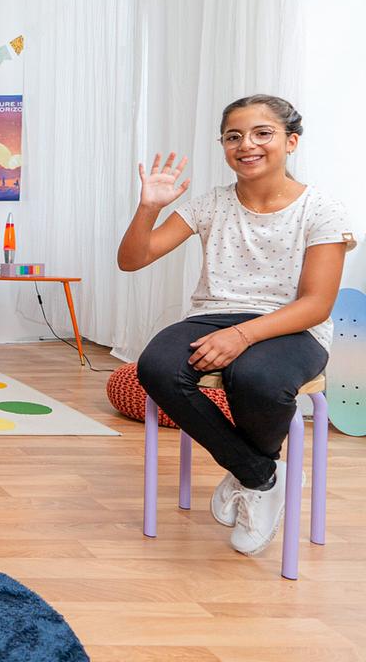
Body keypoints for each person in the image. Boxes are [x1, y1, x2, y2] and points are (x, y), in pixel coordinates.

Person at [119, 94, 356, 555]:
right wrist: (149, 207)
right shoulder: (211, 205)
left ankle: (251, 473)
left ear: (291, 142)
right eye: (233, 137)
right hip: (214, 314)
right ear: (223, 146)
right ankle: (262, 475)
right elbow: (132, 260)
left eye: (261, 133)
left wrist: (244, 334)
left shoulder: (323, 209)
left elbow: (317, 304)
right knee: (158, 366)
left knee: (255, 377)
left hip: (295, 327)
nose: (246, 145)